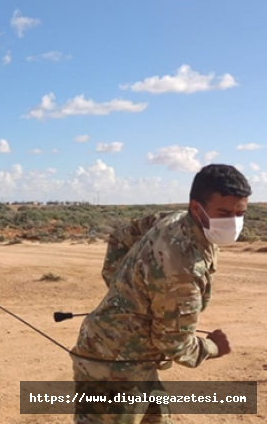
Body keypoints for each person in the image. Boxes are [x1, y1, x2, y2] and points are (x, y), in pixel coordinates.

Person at [71, 164, 252, 424]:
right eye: (224, 212)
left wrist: (125, 291)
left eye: (240, 213)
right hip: (111, 366)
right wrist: (213, 347)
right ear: (196, 208)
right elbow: (175, 344)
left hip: (136, 360)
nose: (233, 221)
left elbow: (121, 236)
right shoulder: (183, 267)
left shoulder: (177, 220)